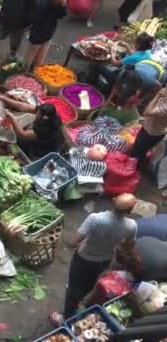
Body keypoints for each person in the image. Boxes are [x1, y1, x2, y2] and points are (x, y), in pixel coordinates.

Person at [49, 193, 137, 325]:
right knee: (89, 283)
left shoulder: (95, 219)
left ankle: (66, 318)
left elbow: (74, 242)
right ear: (130, 211)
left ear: (112, 201)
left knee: (73, 288)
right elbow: (128, 246)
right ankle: (78, 301)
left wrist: (70, 242)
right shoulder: (131, 226)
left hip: (83, 258)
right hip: (104, 260)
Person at [0, 100, 64, 159]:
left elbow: (22, 134)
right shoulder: (50, 115)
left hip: (44, 151)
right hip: (42, 139)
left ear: (44, 117)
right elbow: (22, 106)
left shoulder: (45, 130)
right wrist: (2, 98)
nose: (36, 113)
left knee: (22, 143)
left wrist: (12, 118)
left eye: (38, 114)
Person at [87, 33, 154, 90]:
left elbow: (114, 63)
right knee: (122, 56)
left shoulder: (133, 58)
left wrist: (112, 51)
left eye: (135, 42)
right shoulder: (147, 52)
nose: (134, 43)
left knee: (95, 65)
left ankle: (91, 83)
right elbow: (135, 54)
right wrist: (126, 46)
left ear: (138, 45)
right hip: (132, 78)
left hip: (121, 79)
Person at [25, 0, 67, 70]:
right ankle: (23, 73)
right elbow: (34, 17)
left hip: (48, 35)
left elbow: (60, 15)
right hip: (37, 36)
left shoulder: (56, 4)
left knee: (39, 62)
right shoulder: (42, 3)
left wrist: (62, 7)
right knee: (28, 61)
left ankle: (35, 74)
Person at [131, 88, 167, 168]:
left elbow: (147, 112)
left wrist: (157, 96)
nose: (165, 88)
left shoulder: (165, 108)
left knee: (137, 152)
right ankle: (134, 166)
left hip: (152, 133)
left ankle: (133, 169)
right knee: (140, 150)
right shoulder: (164, 97)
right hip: (150, 127)